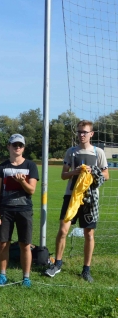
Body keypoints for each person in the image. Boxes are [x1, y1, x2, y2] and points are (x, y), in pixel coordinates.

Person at [45, 120, 109, 282]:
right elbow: (63, 175)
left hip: (90, 198)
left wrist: (92, 171)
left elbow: (106, 175)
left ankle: (86, 270)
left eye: (85, 132)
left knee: (89, 233)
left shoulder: (98, 152)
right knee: (63, 230)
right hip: (71, 196)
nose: (81, 135)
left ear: (91, 134)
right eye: (79, 132)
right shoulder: (71, 152)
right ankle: (57, 263)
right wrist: (75, 172)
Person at [0, 134, 39, 287]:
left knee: (25, 244)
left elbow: (31, 190)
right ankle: (2, 275)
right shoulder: (2, 167)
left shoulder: (30, 166)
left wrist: (22, 181)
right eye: (14, 145)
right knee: (3, 243)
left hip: (24, 209)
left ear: (23, 148)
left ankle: (26, 277)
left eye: (20, 145)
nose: (17, 147)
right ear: (9, 147)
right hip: (6, 210)